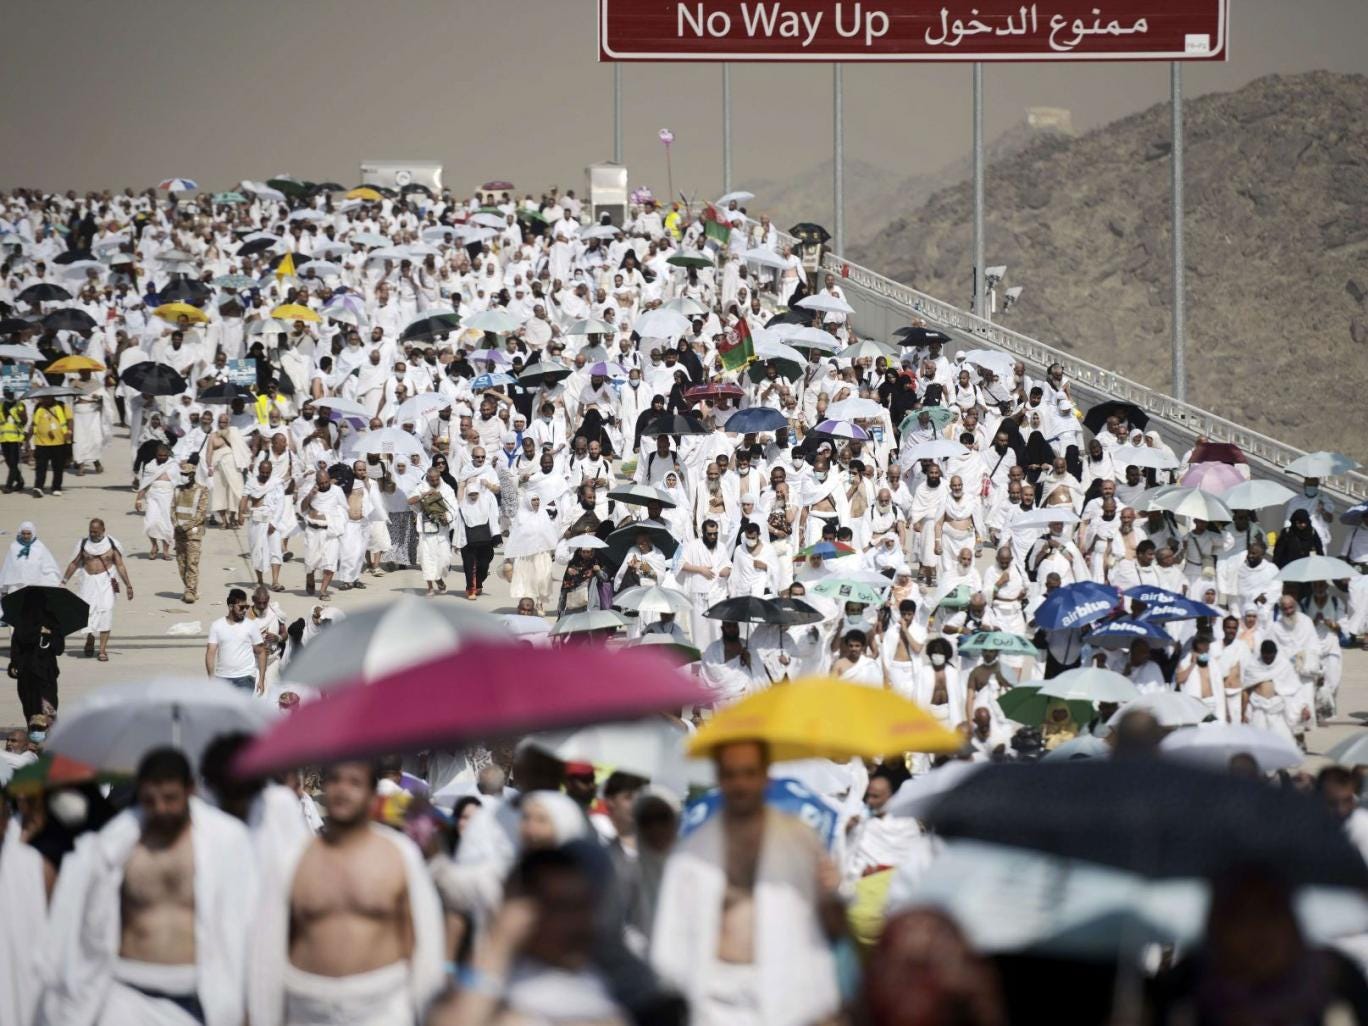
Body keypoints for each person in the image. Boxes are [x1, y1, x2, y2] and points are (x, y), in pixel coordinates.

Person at [37, 748, 257, 1026]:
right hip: (127, 994)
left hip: (198, 993)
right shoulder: (116, 844)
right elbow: (85, 921)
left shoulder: (225, 842)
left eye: (170, 798)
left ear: (190, 790)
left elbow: (247, 922)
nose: (161, 808)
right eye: (150, 800)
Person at [652, 739, 842, 1026]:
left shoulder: (801, 840)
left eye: (749, 773)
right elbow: (673, 929)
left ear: (766, 775)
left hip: (786, 992)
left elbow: (828, 927)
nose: (740, 784)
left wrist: (831, 892)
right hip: (714, 996)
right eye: (731, 774)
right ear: (719, 778)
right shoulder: (693, 851)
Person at [247, 760, 445, 1026]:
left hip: (382, 1009)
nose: (342, 790)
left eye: (354, 783)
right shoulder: (294, 858)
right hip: (307, 1009)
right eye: (335, 780)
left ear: (372, 795)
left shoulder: (399, 855)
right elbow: (268, 946)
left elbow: (423, 941)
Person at [61, 518, 133, 662]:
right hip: (88, 582)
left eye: (96, 531)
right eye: (91, 531)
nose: (93, 534)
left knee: (105, 612)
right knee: (87, 613)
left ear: (103, 530)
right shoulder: (83, 544)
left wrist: (128, 585)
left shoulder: (111, 545)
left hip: (106, 582)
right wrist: (63, 581)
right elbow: (74, 564)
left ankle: (102, 650)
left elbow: (120, 566)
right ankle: (90, 639)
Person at [205, 588, 267, 693]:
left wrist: (261, 679)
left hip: (246, 678)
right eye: (241, 607)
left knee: (242, 709)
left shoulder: (251, 626)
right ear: (230, 606)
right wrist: (211, 677)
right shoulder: (217, 626)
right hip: (222, 678)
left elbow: (261, 652)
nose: (244, 610)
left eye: (246, 607)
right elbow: (210, 652)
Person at [410, 465, 458, 596]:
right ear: (427, 478)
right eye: (432, 480)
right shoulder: (421, 487)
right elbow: (410, 500)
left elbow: (454, 507)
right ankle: (430, 587)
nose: (435, 482)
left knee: (444, 560)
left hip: (442, 530)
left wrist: (447, 517)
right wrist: (424, 495)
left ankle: (439, 578)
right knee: (427, 559)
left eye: (437, 479)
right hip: (426, 531)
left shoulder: (447, 489)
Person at [171, 461, 210, 604]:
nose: (184, 476)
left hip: (193, 533)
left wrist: (186, 526)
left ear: (193, 475)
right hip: (179, 532)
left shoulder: (202, 490)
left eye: (186, 474)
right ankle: (188, 587)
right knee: (182, 564)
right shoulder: (177, 490)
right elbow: (172, 510)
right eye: (182, 474)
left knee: (192, 562)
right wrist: (176, 525)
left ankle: (190, 591)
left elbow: (201, 513)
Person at [135, 444, 177, 559]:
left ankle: (165, 551)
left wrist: (176, 502)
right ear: (156, 455)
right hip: (153, 496)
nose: (163, 457)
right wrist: (138, 499)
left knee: (166, 524)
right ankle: (154, 546)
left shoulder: (173, 465)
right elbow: (144, 484)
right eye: (160, 455)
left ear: (168, 455)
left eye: (165, 455)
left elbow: (177, 484)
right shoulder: (150, 466)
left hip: (168, 497)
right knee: (150, 522)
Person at [0, 521, 61, 595]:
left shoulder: (40, 547)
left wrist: (54, 583)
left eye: (28, 533)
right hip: (15, 585)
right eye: (23, 533)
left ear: (33, 533)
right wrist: (4, 589)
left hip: (34, 585)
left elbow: (49, 567)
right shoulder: (14, 547)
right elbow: (7, 568)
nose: (26, 536)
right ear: (20, 533)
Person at [28, 394, 70, 498]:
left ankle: (56, 487)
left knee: (58, 467)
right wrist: (27, 440)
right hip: (41, 443)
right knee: (41, 467)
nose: (44, 400)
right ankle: (38, 487)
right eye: (43, 398)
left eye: (47, 398)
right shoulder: (39, 408)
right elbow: (34, 424)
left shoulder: (62, 406)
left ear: (52, 398)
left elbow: (69, 420)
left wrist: (69, 432)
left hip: (59, 443)